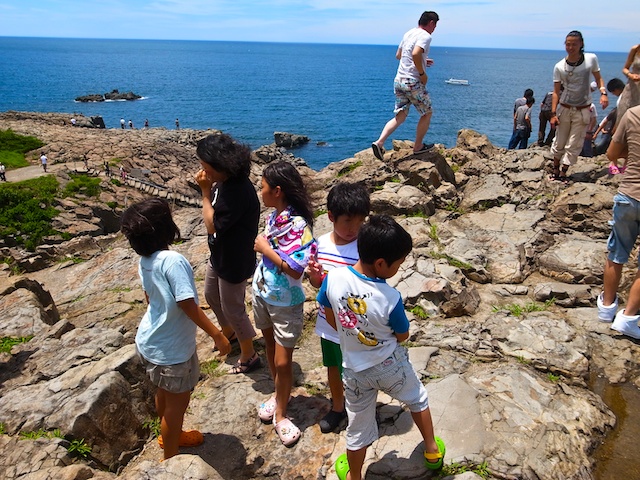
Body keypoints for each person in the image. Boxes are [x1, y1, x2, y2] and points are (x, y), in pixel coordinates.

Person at [317, 215, 445, 480]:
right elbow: (403, 334)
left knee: (358, 427)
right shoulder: (390, 297)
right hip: (389, 365)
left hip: (354, 371)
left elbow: (329, 313)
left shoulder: (333, 279)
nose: (399, 268)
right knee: (416, 398)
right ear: (380, 263)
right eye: (398, 264)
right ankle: (432, 450)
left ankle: (354, 476)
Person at [120, 198, 232, 461]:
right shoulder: (173, 260)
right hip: (171, 350)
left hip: (151, 341)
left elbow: (150, 298)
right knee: (177, 406)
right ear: (166, 228)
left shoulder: (146, 260)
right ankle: (170, 458)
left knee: (164, 393)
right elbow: (186, 304)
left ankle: (169, 434)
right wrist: (217, 334)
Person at [252, 161, 317, 447]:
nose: (260, 191)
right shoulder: (273, 218)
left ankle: (280, 414)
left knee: (283, 359)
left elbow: (295, 269)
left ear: (277, 191)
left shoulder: (299, 225)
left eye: (263, 186)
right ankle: (279, 395)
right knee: (268, 347)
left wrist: (266, 249)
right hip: (264, 293)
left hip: (285, 302)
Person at [195, 133, 261, 374]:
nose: (203, 170)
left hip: (234, 257)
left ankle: (249, 353)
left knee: (234, 307)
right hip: (221, 251)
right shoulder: (225, 182)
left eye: (205, 165)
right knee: (211, 294)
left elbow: (212, 224)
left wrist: (204, 192)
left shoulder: (237, 191)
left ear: (219, 165)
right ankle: (230, 333)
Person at [307, 182, 371, 434]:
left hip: (358, 325)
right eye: (347, 222)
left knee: (361, 369)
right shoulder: (321, 245)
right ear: (331, 217)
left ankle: (363, 408)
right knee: (333, 367)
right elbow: (316, 285)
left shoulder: (365, 245)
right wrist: (314, 276)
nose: (353, 229)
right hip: (329, 325)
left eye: (359, 221)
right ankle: (337, 406)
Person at [371, 11, 440, 160]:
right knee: (427, 113)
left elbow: (399, 55)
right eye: (435, 25)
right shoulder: (425, 36)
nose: (434, 29)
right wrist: (422, 73)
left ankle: (379, 142)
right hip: (412, 81)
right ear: (431, 23)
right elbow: (415, 53)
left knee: (400, 115)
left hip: (399, 80)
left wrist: (422, 60)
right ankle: (418, 147)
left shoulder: (409, 33)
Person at [597, 105, 640, 340]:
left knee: (617, 251)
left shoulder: (632, 114)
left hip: (629, 194)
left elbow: (611, 154)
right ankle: (629, 317)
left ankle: (606, 307)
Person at [549, 30, 608, 182]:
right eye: (568, 44)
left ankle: (564, 172)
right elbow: (556, 92)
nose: (570, 47)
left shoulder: (591, 59)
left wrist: (603, 93)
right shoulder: (559, 67)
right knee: (560, 141)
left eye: (574, 44)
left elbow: (599, 78)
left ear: (581, 44)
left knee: (575, 142)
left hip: (582, 109)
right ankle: (555, 169)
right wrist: (553, 114)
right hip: (564, 107)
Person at [615, 44, 640, 129]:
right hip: (632, 90)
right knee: (623, 120)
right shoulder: (635, 49)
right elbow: (625, 68)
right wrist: (630, 75)